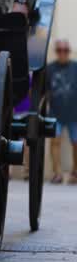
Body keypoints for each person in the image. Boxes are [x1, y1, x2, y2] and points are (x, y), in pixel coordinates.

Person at [46, 39, 77, 184]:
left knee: (76, 143)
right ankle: (57, 173)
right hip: (55, 112)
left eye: (65, 50)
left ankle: (75, 173)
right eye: (59, 50)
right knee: (54, 142)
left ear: (69, 52)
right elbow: (43, 91)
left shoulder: (76, 67)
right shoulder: (49, 68)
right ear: (56, 52)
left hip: (74, 113)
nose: (62, 53)